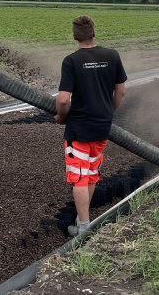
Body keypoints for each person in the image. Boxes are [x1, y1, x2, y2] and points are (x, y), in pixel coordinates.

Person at [54, 15, 127, 236]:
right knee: (92, 173)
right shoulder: (112, 56)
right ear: (94, 32)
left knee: (79, 177)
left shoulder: (71, 61)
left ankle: (84, 227)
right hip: (102, 126)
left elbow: (64, 99)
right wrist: (109, 111)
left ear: (75, 36)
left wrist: (61, 117)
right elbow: (121, 90)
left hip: (79, 128)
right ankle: (82, 219)